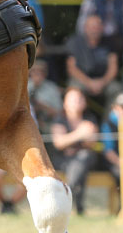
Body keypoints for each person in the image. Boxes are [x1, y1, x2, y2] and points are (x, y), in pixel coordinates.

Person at [50, 87, 98, 215]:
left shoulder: (90, 118)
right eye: (73, 99)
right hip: (63, 161)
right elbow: (59, 143)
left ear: (84, 103)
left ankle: (69, 193)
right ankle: (78, 206)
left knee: (82, 158)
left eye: (79, 99)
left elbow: (91, 143)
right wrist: (80, 134)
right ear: (65, 103)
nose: (76, 102)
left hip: (83, 159)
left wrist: (70, 141)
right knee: (79, 163)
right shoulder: (59, 118)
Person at [66, 14, 122, 111]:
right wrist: (89, 82)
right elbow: (72, 69)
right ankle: (78, 123)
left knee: (118, 91)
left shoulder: (110, 42)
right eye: (92, 27)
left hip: (105, 81)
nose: (95, 30)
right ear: (85, 28)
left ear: (102, 28)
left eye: (97, 27)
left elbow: (113, 67)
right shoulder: (74, 42)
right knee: (73, 91)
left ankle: (109, 124)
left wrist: (102, 82)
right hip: (82, 80)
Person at [28, 58, 63, 134]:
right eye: (34, 71)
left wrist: (42, 106)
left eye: (40, 72)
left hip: (48, 124)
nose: (36, 74)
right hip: (27, 123)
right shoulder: (25, 86)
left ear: (45, 73)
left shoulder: (52, 88)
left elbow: (59, 113)